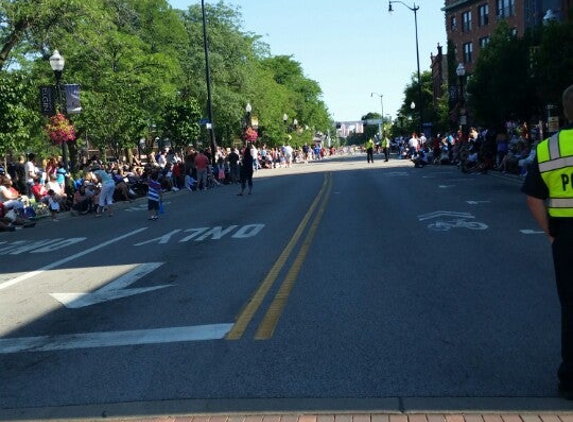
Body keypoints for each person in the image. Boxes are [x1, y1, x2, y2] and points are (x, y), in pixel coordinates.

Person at [522, 84, 573, 400]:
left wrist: (551, 233)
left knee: (571, 307)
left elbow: (533, 197)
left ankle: (570, 379)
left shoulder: (548, 148)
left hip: (567, 236)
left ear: (566, 111)